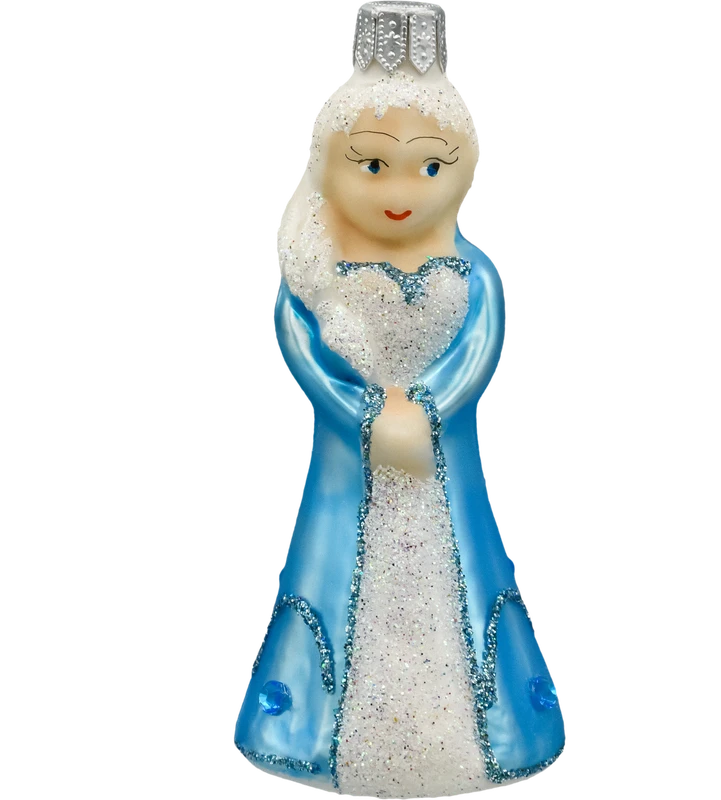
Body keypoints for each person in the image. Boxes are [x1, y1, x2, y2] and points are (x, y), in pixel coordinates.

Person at [234, 3, 566, 796]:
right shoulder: (313, 273)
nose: (402, 191)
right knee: (336, 567)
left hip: (440, 466)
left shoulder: (472, 270)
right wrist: (366, 415)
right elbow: (304, 349)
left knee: (459, 567)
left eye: (430, 167)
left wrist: (428, 407)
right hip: (351, 465)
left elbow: (479, 346)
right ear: (330, 163)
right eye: (373, 165)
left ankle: (473, 726)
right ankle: (321, 730)